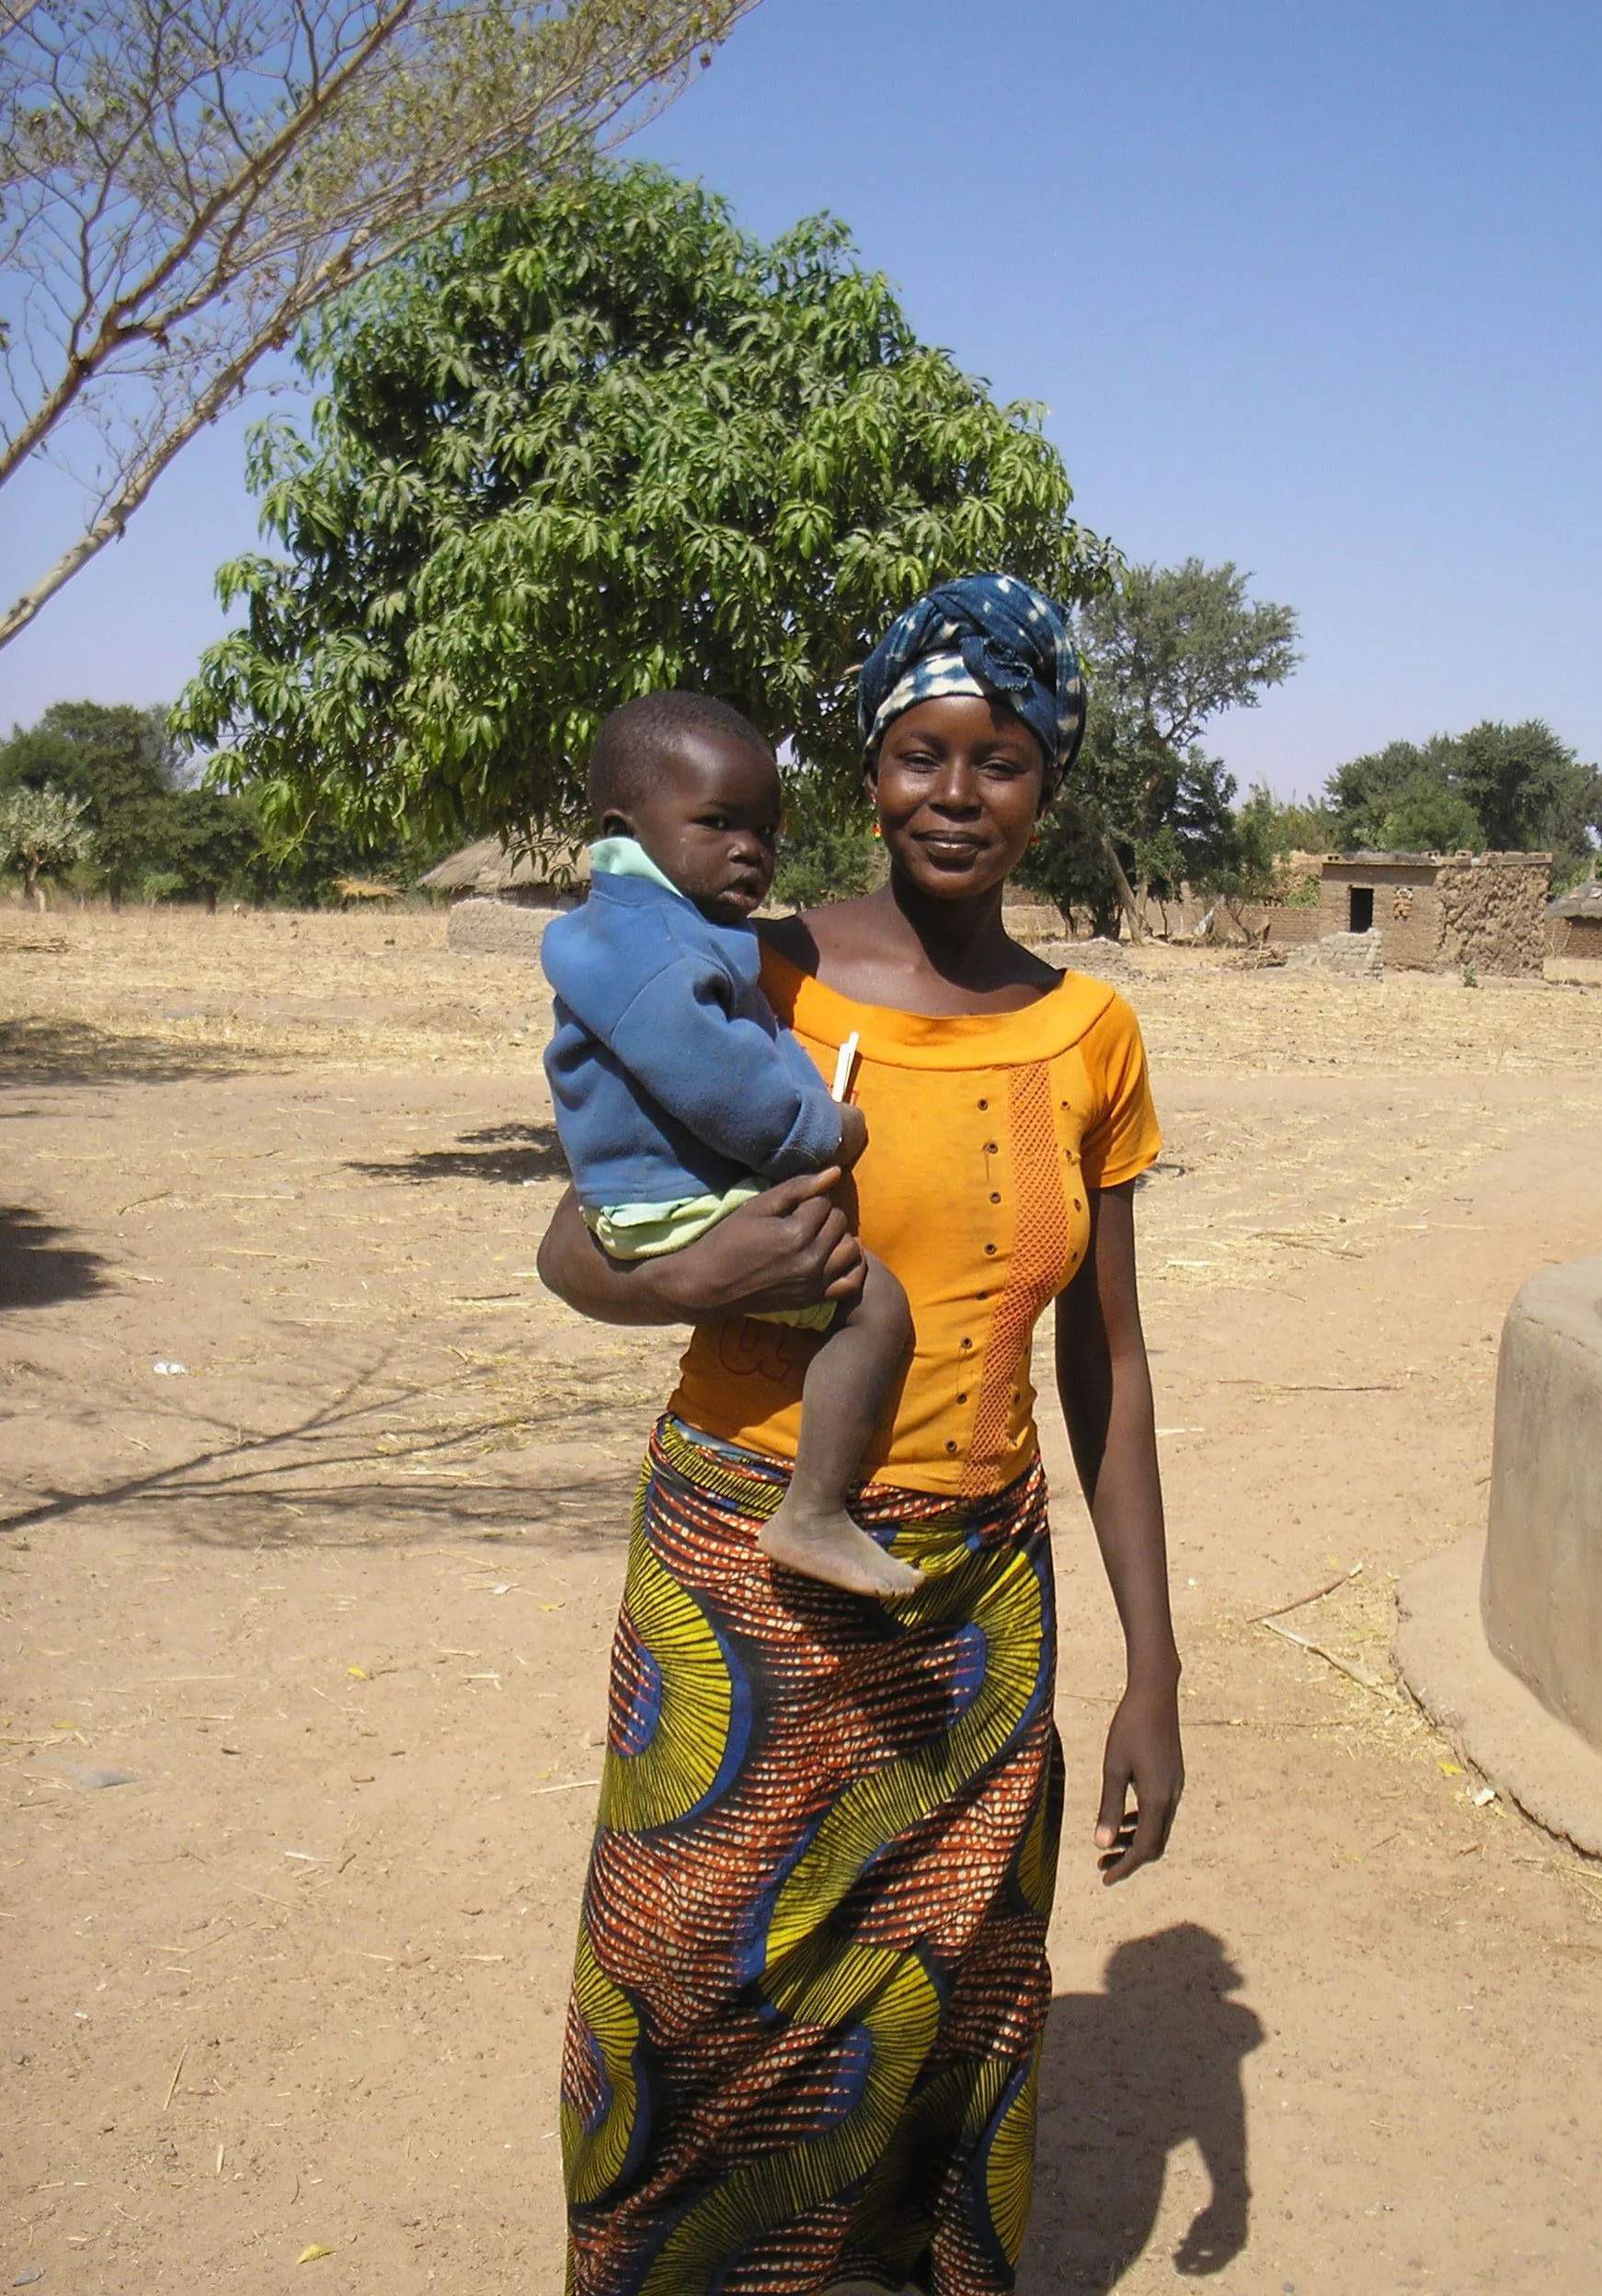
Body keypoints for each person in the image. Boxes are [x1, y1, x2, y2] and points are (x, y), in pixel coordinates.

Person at [537, 573, 1184, 2296]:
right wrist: (716, 1273)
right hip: (741, 1574)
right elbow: (573, 1246)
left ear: (1051, 779)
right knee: (685, 1990)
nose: (955, 796)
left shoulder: (1089, 1036)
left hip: (976, 1607)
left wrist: (1156, 1673)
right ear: (872, 768)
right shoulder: (751, 966)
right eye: (917, 755)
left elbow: (1104, 1365)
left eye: (999, 760)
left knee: (950, 1996)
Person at [542, 691, 919, 1601]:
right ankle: (816, 1511)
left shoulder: (655, 933)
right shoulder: (665, 954)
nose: (750, 849)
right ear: (623, 830)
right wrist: (823, 1131)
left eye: (766, 830)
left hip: (644, 1192)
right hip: (662, 1206)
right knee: (878, 1308)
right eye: (718, 823)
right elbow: (719, 1080)